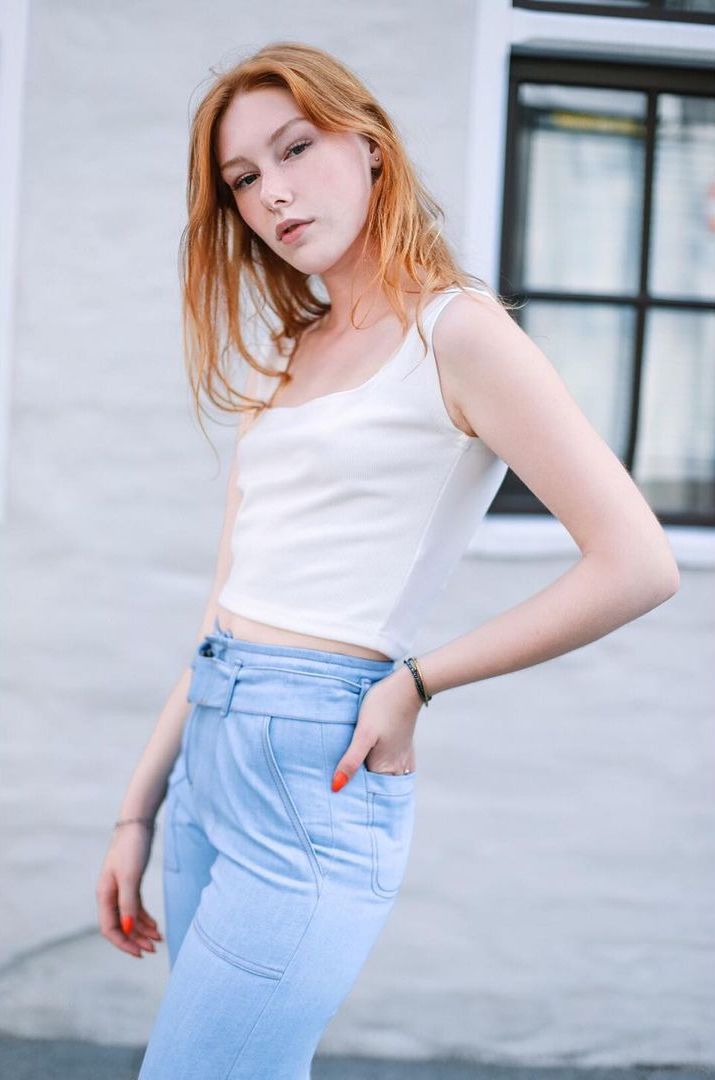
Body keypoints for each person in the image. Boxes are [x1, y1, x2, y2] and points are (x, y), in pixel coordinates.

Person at [95, 41, 680, 1080]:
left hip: (314, 759)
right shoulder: (291, 355)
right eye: (243, 179)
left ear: (368, 146)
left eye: (295, 149)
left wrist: (417, 680)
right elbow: (223, 609)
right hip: (210, 755)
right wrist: (138, 806)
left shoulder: (460, 334)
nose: (274, 194)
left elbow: (636, 563)